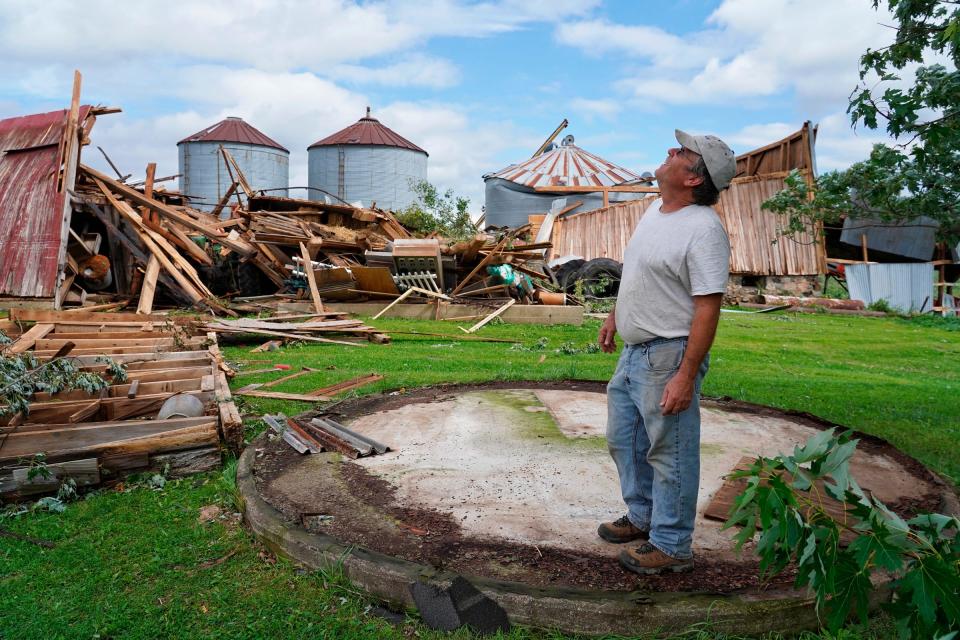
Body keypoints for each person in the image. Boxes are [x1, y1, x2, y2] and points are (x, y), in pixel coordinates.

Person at [596, 130, 735, 575]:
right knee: (626, 440)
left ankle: (673, 544)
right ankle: (643, 517)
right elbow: (640, 273)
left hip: (669, 354)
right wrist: (616, 315)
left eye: (682, 152)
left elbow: (707, 307)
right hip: (636, 350)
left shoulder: (704, 230)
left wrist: (686, 374)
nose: (670, 152)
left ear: (695, 178)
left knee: (670, 450)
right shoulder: (655, 210)